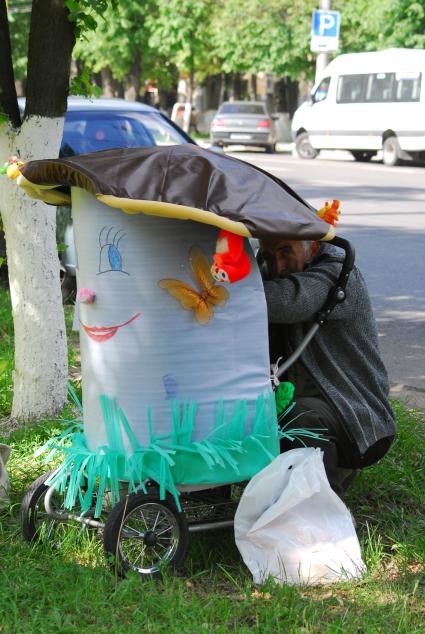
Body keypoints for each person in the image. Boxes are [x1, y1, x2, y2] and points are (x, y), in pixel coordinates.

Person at [260, 238, 396, 497]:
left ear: (312, 247)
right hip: (315, 402)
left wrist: (216, 287)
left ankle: (322, 515)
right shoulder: (269, 271)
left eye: (286, 251)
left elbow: (288, 301)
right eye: (268, 255)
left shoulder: (338, 274)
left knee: (299, 415)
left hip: (357, 418)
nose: (277, 267)